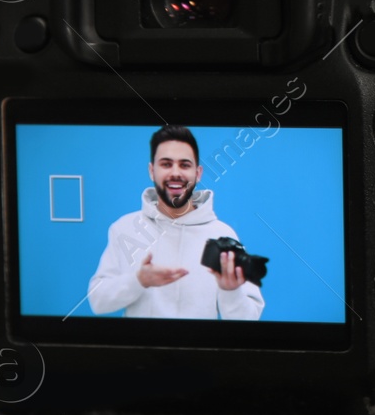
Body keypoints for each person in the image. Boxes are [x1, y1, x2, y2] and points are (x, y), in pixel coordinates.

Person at [88, 125, 265, 320]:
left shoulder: (222, 234)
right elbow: (97, 301)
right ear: (151, 171)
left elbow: (249, 320)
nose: (175, 173)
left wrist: (231, 292)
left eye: (184, 165)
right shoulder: (124, 228)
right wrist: (139, 280)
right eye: (166, 164)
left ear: (198, 174)